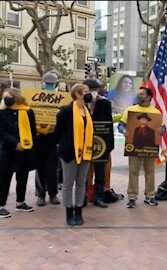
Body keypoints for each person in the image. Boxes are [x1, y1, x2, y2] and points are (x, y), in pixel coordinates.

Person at [118, 87, 164, 209]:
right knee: (133, 171)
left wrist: (161, 130)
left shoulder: (156, 112)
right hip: (134, 147)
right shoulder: (130, 110)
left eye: (142, 94)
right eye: (138, 94)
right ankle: (132, 197)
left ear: (149, 97)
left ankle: (150, 195)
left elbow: (163, 127)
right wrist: (123, 131)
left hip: (150, 147)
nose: (139, 96)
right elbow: (121, 125)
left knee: (150, 171)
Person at [55, 84, 94, 226]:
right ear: (77, 94)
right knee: (68, 183)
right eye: (85, 92)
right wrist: (61, 146)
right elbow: (57, 132)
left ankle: (78, 210)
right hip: (69, 153)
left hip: (85, 152)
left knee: (81, 183)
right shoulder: (66, 111)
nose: (89, 94)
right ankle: (68, 211)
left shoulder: (87, 110)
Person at [0, 88, 37, 218]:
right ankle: (1, 205)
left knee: (23, 176)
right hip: (7, 149)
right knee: (4, 177)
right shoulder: (2, 112)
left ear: (17, 97)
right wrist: (15, 143)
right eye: (5, 97)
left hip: (24, 150)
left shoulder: (28, 111)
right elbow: (1, 132)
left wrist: (27, 143)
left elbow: (33, 130)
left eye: (9, 97)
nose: (6, 100)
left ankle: (20, 202)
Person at [83, 79, 114, 208]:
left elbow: (109, 124)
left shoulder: (105, 103)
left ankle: (98, 197)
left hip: (100, 144)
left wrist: (109, 145)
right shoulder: (79, 104)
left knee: (100, 171)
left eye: (95, 89)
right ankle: (83, 196)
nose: (93, 92)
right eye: (90, 89)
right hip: (84, 143)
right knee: (84, 172)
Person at [35, 72, 61, 207]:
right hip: (39, 136)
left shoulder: (61, 100)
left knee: (53, 167)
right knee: (40, 167)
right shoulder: (36, 98)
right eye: (47, 83)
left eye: (52, 84)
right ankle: (40, 194)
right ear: (43, 83)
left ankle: (53, 193)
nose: (49, 85)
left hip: (54, 137)